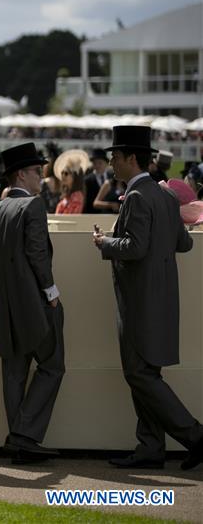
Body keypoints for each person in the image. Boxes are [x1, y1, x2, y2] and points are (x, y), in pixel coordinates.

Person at [92, 126, 203, 471]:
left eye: (115, 156)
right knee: (145, 374)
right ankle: (150, 447)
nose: (112, 162)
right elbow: (184, 243)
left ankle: (195, 436)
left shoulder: (138, 196)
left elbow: (135, 247)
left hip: (139, 302)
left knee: (139, 375)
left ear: (131, 158)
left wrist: (105, 243)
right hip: (161, 299)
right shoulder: (164, 196)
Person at [0, 142, 65, 464]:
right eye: (36, 171)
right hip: (36, 301)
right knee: (52, 365)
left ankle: (19, 440)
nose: (40, 177)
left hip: (4, 304)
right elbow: (38, 255)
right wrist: (51, 291)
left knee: (14, 371)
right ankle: (23, 436)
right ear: (20, 175)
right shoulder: (33, 205)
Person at [83, 149, 109, 213]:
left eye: (100, 163)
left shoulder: (112, 177)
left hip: (111, 214)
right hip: (93, 215)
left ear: (106, 163)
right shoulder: (87, 180)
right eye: (95, 163)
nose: (97, 166)